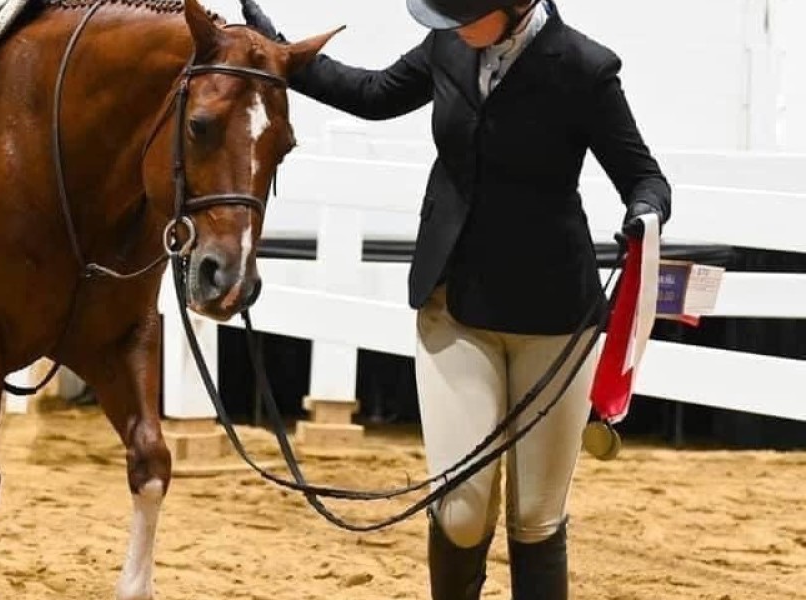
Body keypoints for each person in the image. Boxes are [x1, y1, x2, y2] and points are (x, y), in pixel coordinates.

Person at [239, 0, 671, 598]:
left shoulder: (584, 67)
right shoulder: (450, 46)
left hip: (552, 318)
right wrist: (280, 51)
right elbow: (372, 93)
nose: (449, 29)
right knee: (462, 511)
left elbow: (645, 176)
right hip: (455, 304)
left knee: (537, 518)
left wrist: (644, 213)